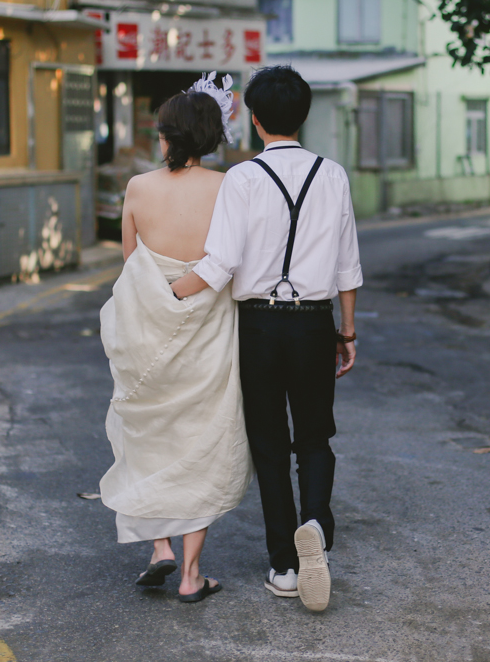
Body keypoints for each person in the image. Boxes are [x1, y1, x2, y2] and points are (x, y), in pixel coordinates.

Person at [169, 65, 362, 612]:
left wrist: (167, 295)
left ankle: (283, 565)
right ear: (304, 115)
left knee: (270, 446)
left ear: (254, 120)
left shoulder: (243, 178)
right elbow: (348, 265)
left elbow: (221, 261)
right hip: (313, 320)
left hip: (256, 324)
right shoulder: (333, 175)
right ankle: (316, 529)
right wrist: (345, 332)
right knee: (316, 437)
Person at [97, 74, 252, 604]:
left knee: (147, 435)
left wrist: (163, 297)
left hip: (146, 327)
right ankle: (190, 574)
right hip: (206, 331)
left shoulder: (138, 188)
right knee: (201, 441)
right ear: (211, 137)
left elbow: (131, 264)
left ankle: (158, 545)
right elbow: (234, 262)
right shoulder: (229, 187)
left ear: (166, 137)